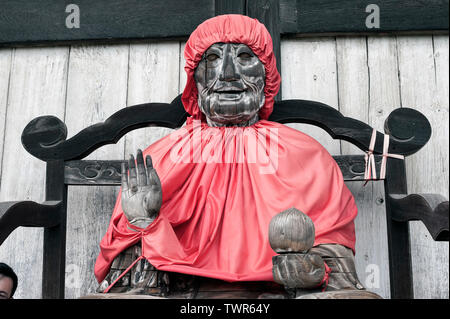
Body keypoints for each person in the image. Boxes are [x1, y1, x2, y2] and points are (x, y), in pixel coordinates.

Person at [94, 14, 362, 297]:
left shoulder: (307, 157)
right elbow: (125, 280)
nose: (228, 73)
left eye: (245, 56)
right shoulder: (159, 161)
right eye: (211, 60)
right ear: (193, 79)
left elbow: (334, 262)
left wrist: (309, 269)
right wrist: (142, 224)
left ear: (267, 74)